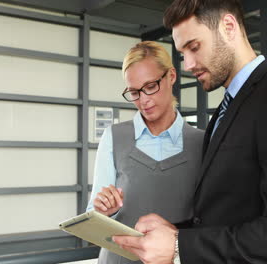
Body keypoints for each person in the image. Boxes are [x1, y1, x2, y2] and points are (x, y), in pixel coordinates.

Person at [113, 0, 267, 264]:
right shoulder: (224, 113)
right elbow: (225, 215)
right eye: (182, 53)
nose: (188, 64)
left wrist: (180, 245)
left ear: (228, 27)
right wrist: (173, 232)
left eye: (194, 47)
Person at [86, 41, 204, 264]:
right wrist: (103, 211)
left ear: (171, 76)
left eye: (150, 86)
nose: (143, 100)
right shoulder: (114, 137)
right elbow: (93, 220)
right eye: (134, 92)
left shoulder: (202, 143)